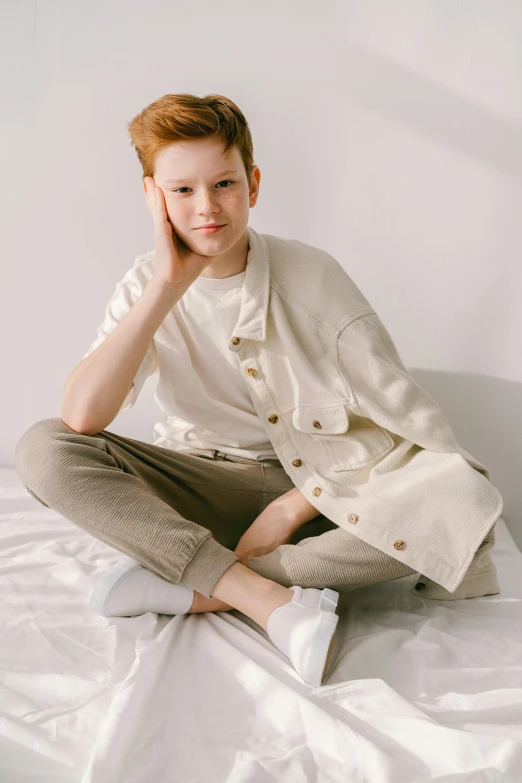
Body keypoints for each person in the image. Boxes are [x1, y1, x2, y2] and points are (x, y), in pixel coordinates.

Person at [14, 93, 500, 686]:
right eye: (182, 190)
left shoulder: (314, 276)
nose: (207, 208)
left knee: (461, 496)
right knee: (44, 447)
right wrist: (168, 287)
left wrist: (292, 505)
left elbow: (406, 425)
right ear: (152, 195)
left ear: (254, 183)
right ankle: (260, 596)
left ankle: (193, 583)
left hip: (324, 492)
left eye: (224, 183)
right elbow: (81, 417)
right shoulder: (146, 283)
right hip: (200, 486)